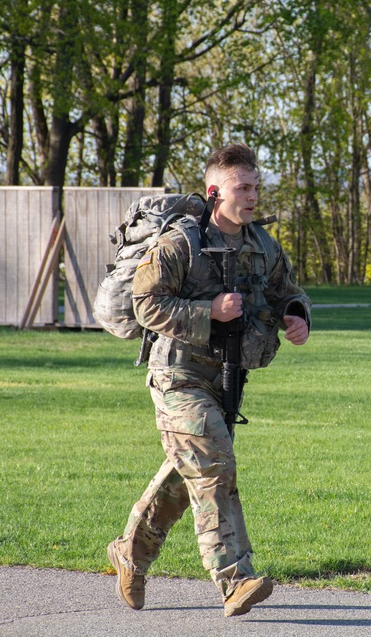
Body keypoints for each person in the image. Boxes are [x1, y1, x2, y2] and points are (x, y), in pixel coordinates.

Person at [106, 144, 311, 617]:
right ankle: (234, 578)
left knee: (186, 477)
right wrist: (208, 311)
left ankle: (129, 553)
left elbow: (289, 292)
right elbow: (145, 304)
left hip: (226, 379)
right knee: (214, 466)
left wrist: (296, 316)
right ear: (216, 192)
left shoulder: (263, 245)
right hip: (177, 375)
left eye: (257, 186)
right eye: (244, 187)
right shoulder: (181, 243)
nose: (254, 195)